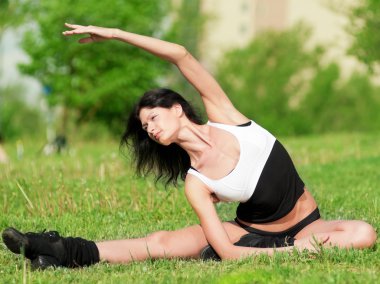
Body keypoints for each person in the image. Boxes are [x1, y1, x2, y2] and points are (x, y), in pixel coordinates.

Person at [2, 23, 376, 269]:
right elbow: (228, 252)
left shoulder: (227, 116)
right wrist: (282, 254)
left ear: (177, 109)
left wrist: (117, 34)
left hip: (307, 227)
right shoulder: (196, 182)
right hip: (249, 234)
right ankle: (55, 249)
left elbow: (180, 54)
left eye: (153, 118)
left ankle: (53, 252)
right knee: (161, 243)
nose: (149, 129)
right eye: (144, 126)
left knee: (364, 234)